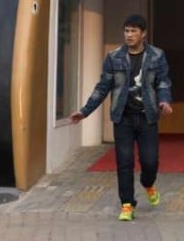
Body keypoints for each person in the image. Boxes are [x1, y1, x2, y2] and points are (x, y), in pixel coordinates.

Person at [70, 14, 173, 221]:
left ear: (143, 34)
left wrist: (164, 101)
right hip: (123, 119)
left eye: (134, 31)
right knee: (124, 163)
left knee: (150, 162)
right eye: (126, 31)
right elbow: (103, 87)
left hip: (147, 118)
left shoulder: (156, 56)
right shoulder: (113, 57)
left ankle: (148, 183)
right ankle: (127, 204)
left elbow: (163, 82)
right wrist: (85, 110)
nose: (129, 35)